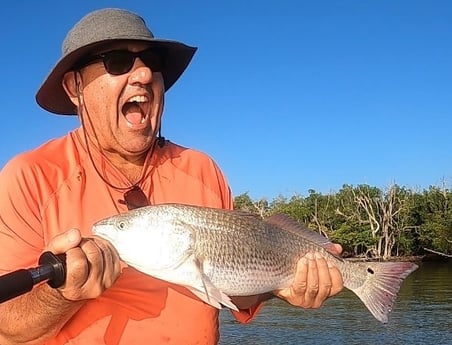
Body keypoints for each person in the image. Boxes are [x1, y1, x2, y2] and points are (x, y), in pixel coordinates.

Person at [0, 8, 343, 345]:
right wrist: (63, 296)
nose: (144, 75)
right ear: (75, 87)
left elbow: (234, 293)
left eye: (153, 61)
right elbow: (7, 328)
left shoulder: (203, 169)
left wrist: (284, 286)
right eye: (118, 61)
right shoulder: (29, 177)